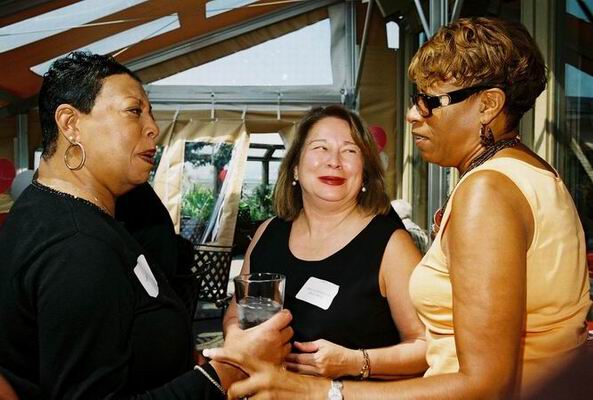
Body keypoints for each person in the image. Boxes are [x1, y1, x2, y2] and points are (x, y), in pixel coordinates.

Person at [206, 17, 592, 399]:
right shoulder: (531, 173)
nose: (413, 114)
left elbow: (485, 385)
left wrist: (321, 390)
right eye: (414, 99)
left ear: (488, 104)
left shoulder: (487, 191)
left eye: (430, 101)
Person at [0, 51, 293, 400]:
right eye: (134, 111)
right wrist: (227, 371)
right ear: (71, 123)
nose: (153, 127)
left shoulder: (45, 210)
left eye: (150, 113)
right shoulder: (78, 247)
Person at [223, 105, 427, 380]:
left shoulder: (392, 246)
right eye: (320, 148)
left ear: (365, 173)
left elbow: (426, 347)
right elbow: (235, 314)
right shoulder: (267, 232)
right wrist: (235, 338)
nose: (334, 161)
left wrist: (355, 362)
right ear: (295, 168)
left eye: (350, 151)